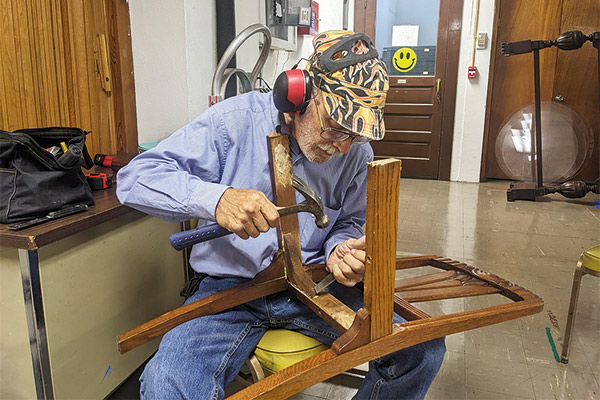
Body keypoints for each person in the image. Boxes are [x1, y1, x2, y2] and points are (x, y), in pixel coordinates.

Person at [117, 30, 445, 400]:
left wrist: (340, 250)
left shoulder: (355, 153)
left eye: (354, 135)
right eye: (335, 128)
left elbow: (349, 222)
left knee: (423, 347)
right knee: (167, 386)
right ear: (297, 96)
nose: (342, 148)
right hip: (231, 289)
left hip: (316, 283)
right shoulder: (233, 123)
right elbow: (134, 179)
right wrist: (217, 198)